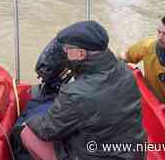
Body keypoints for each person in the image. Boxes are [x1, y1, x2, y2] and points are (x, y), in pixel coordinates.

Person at [21, 21, 146, 160]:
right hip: (133, 153)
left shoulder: (75, 94)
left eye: (67, 49)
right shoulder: (126, 71)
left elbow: (48, 130)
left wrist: (30, 120)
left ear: (80, 53)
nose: (64, 52)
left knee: (27, 134)